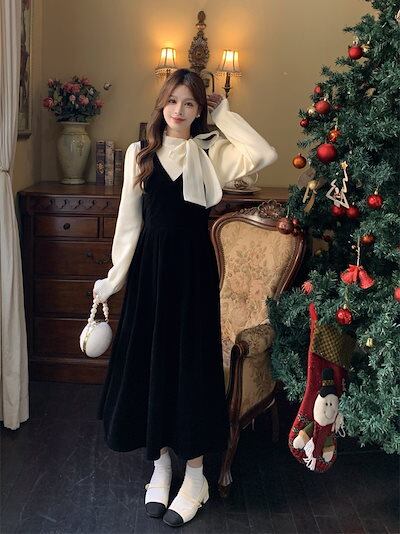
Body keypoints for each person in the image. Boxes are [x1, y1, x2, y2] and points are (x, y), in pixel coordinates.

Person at [92, 68, 278, 527]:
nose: (179, 110)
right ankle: (159, 467)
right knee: (151, 366)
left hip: (194, 277)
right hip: (150, 276)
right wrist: (113, 280)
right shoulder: (139, 153)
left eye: (190, 103)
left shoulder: (211, 153)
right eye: (173, 101)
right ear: (162, 104)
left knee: (190, 369)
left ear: (199, 110)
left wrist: (225, 114)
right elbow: (129, 225)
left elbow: (264, 153)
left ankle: (195, 477)